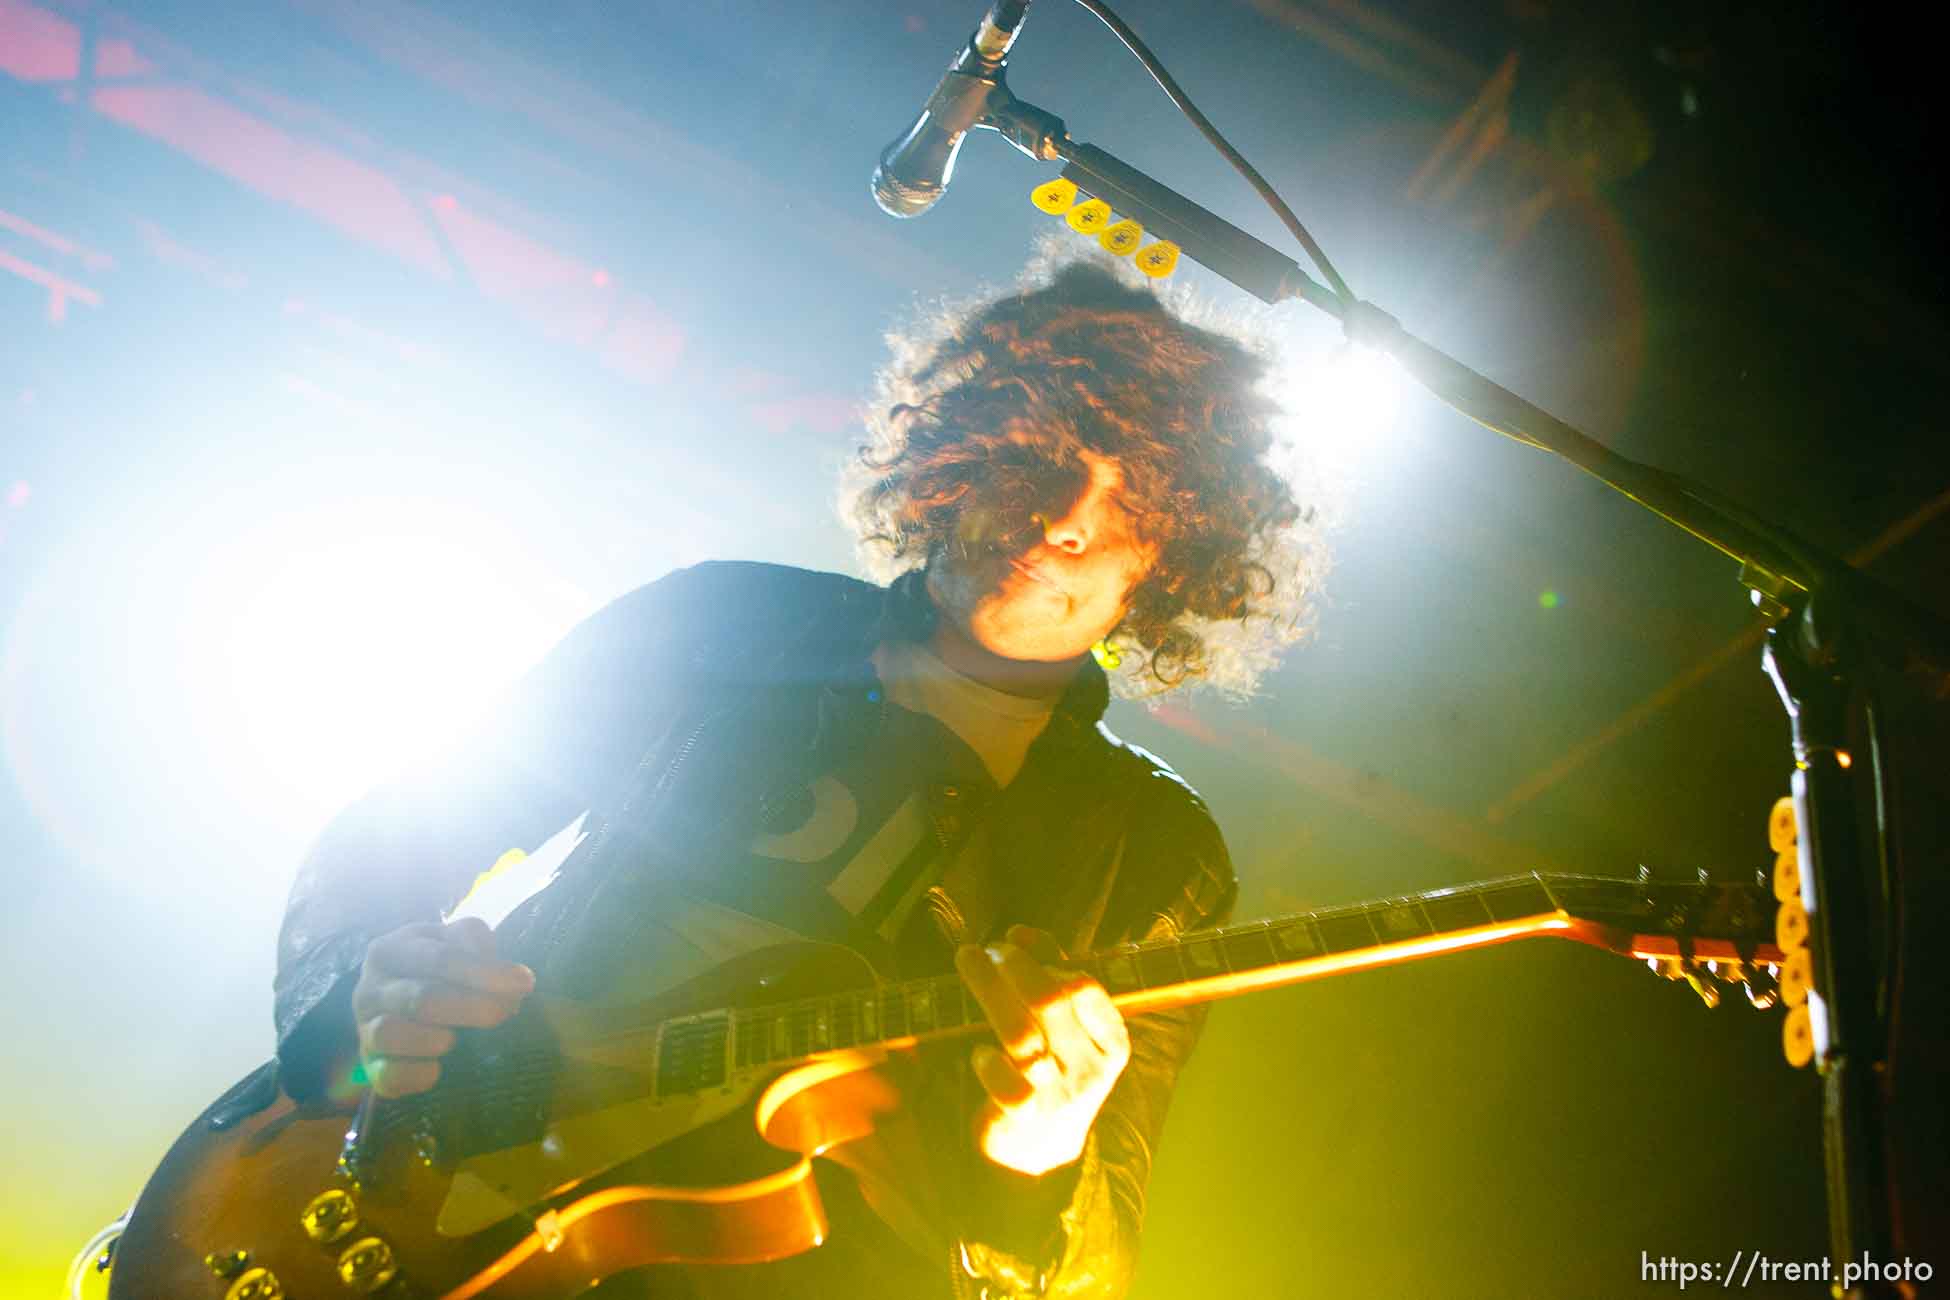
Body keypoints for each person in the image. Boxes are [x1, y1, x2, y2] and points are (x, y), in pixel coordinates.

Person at [271, 254, 1322, 1298]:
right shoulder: (724, 618)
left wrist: (1040, 1154)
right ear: (962, 452)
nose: (1060, 516)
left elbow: (1092, 1263)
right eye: (1038, 457)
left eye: (1129, 498)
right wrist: (362, 989)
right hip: (430, 1203)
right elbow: (393, 836)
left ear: (1174, 559)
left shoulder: (1152, 846)